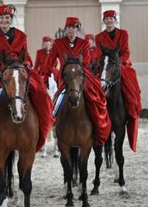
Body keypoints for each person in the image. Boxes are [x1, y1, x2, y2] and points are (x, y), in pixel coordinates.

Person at [0, 4, 54, 152]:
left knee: (40, 93)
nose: (4, 21)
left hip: (20, 71)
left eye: (7, 18)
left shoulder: (22, 36)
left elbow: (26, 56)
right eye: (1, 18)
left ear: (11, 19)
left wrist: (27, 64)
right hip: (2, 74)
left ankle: (41, 127)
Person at [44, 17, 111, 146]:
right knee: (57, 99)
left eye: (73, 28)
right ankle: (54, 121)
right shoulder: (58, 43)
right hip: (65, 78)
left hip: (81, 76)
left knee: (93, 97)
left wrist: (77, 71)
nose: (71, 30)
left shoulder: (84, 43)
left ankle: (96, 123)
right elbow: (49, 62)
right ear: (66, 29)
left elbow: (86, 62)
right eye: (68, 27)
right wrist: (46, 76)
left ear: (77, 29)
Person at [95, 10, 142, 152]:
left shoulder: (123, 34)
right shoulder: (99, 37)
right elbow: (98, 54)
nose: (109, 21)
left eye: (111, 18)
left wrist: (117, 62)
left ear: (115, 20)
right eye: (107, 19)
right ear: (104, 21)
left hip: (120, 64)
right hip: (105, 66)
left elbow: (126, 51)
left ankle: (132, 107)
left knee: (130, 79)